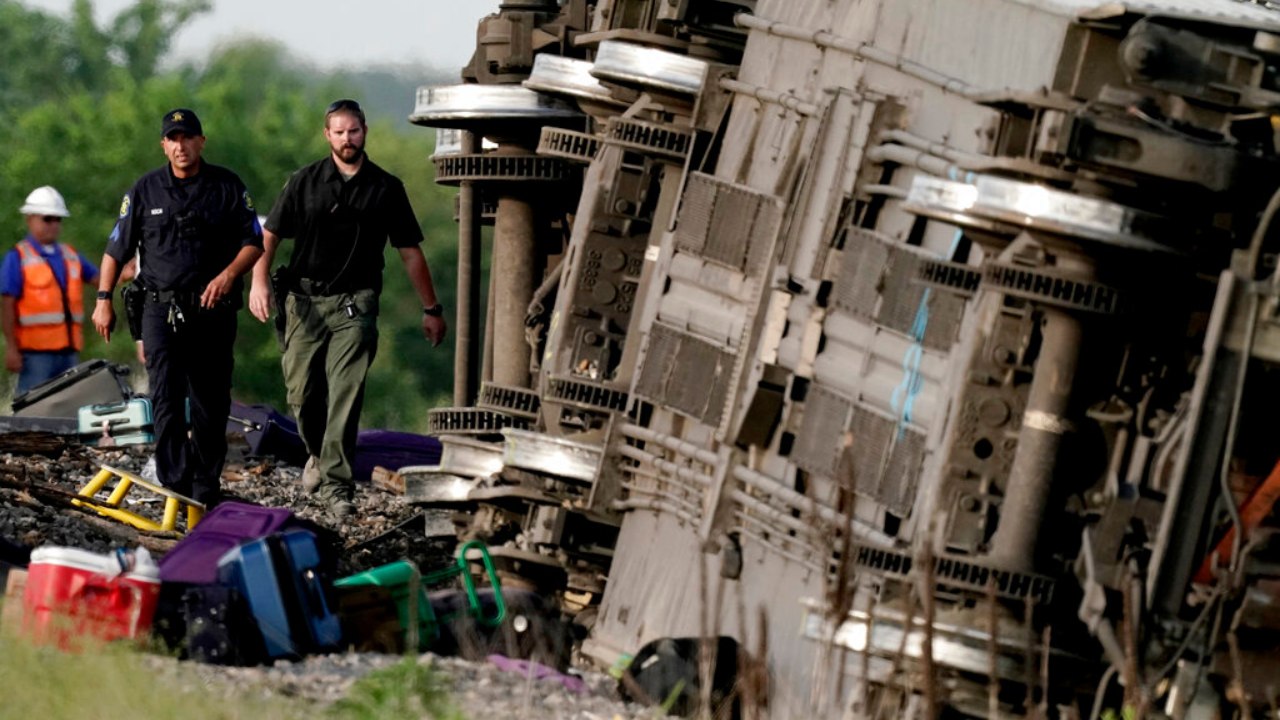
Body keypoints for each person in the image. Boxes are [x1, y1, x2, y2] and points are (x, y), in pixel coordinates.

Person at [249, 98, 446, 516]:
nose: (346, 138)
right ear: (327, 135)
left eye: (353, 130)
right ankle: (320, 457)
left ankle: (337, 488)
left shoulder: (386, 188)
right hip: (303, 303)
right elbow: (269, 236)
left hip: (355, 305)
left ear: (365, 131)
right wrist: (258, 282)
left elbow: (410, 251)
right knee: (302, 394)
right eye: (338, 131)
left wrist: (431, 308)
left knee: (345, 393)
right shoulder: (304, 181)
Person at [93, 108, 263, 506]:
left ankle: (205, 486)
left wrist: (228, 276)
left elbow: (253, 241)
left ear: (201, 142)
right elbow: (114, 249)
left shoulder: (226, 186)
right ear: (164, 145)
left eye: (188, 137)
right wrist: (102, 301)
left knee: (211, 401)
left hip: (212, 310)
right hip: (160, 309)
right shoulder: (145, 189)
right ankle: (175, 482)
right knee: (165, 397)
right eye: (173, 138)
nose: (181, 145)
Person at [1, 187, 104, 394]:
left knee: (70, 409)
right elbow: (6, 305)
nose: (54, 225)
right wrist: (11, 348)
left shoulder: (70, 255)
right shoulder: (18, 257)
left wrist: (129, 269)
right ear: (30, 219)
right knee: (33, 412)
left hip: (69, 352)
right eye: (48, 219)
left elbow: (101, 280)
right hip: (35, 356)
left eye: (58, 219)